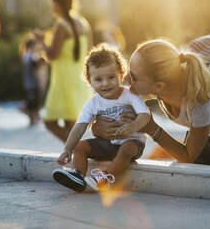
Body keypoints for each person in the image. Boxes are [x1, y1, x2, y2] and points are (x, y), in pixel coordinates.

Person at [93, 39, 210, 168]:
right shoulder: (162, 83)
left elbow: (187, 156)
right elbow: (112, 110)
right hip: (203, 127)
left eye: (134, 77)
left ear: (159, 86)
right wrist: (98, 127)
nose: (126, 79)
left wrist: (151, 128)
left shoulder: (200, 99)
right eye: (129, 70)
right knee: (193, 182)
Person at [52, 43, 150, 192]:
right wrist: (67, 149)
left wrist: (132, 127)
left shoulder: (130, 95)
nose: (105, 83)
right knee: (81, 146)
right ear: (89, 81)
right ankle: (78, 175)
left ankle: (104, 177)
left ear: (121, 75)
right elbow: (80, 126)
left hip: (132, 143)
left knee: (127, 148)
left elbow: (145, 115)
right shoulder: (93, 103)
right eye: (98, 80)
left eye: (111, 77)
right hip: (106, 143)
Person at [34, 0, 93, 143]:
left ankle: (79, 149)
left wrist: (41, 42)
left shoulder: (61, 24)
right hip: (79, 79)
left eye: (52, 2)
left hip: (63, 81)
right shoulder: (83, 23)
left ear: (58, 3)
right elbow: (90, 51)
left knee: (50, 122)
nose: (51, 6)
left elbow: (52, 55)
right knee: (70, 124)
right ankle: (76, 157)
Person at [20, 38, 46, 126]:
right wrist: (41, 83)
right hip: (33, 83)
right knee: (33, 102)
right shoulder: (31, 57)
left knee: (32, 102)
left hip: (28, 83)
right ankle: (33, 119)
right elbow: (36, 72)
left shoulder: (25, 56)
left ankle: (33, 119)